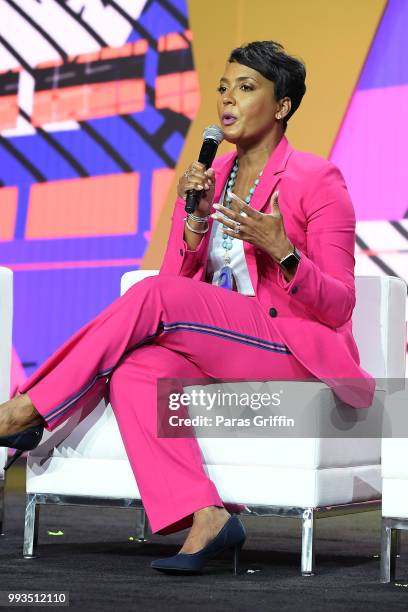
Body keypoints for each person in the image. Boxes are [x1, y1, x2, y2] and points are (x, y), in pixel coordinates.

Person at [0, 40, 375, 575]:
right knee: (136, 369)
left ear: (283, 105)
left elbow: (339, 304)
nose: (228, 99)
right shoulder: (212, 177)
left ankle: (29, 409)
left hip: (287, 345)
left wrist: (284, 251)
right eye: (223, 87)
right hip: (218, 342)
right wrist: (194, 222)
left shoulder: (317, 179)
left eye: (246, 88)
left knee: (150, 295)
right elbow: (177, 292)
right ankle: (206, 516)